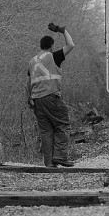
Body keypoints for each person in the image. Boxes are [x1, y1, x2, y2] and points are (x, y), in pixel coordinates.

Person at [26, 23, 76, 167]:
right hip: (51, 97)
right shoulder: (54, 56)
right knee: (63, 125)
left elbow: (28, 83)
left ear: (41, 46)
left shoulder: (32, 61)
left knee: (46, 131)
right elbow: (71, 45)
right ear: (52, 45)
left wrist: (30, 98)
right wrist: (63, 31)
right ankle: (60, 157)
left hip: (37, 101)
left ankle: (49, 163)